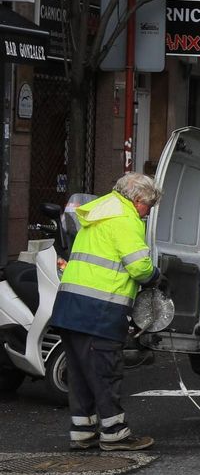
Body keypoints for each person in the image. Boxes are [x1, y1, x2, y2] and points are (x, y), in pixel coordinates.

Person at [53, 173, 161, 451]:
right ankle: (114, 432)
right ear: (138, 200)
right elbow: (139, 267)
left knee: (79, 374)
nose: (147, 213)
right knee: (105, 372)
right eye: (148, 207)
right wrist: (156, 275)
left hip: (70, 306)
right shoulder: (125, 219)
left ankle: (82, 431)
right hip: (98, 310)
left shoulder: (100, 213)